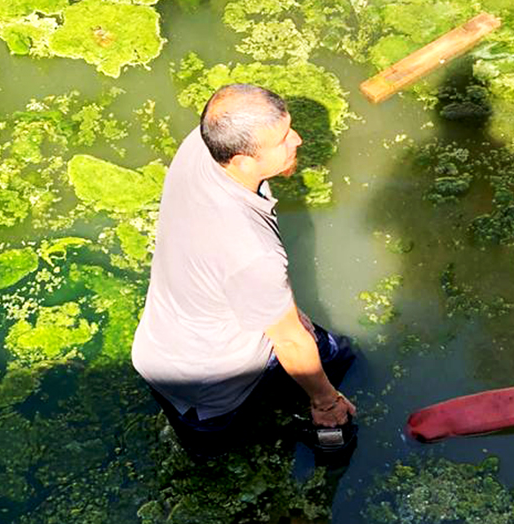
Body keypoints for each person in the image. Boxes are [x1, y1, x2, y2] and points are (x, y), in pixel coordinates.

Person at [131, 83, 356, 459]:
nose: (297, 140)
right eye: (283, 139)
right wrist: (325, 402)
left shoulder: (202, 145)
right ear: (242, 160)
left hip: (159, 345)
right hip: (206, 386)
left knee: (331, 355)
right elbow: (288, 341)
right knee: (217, 453)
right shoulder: (252, 254)